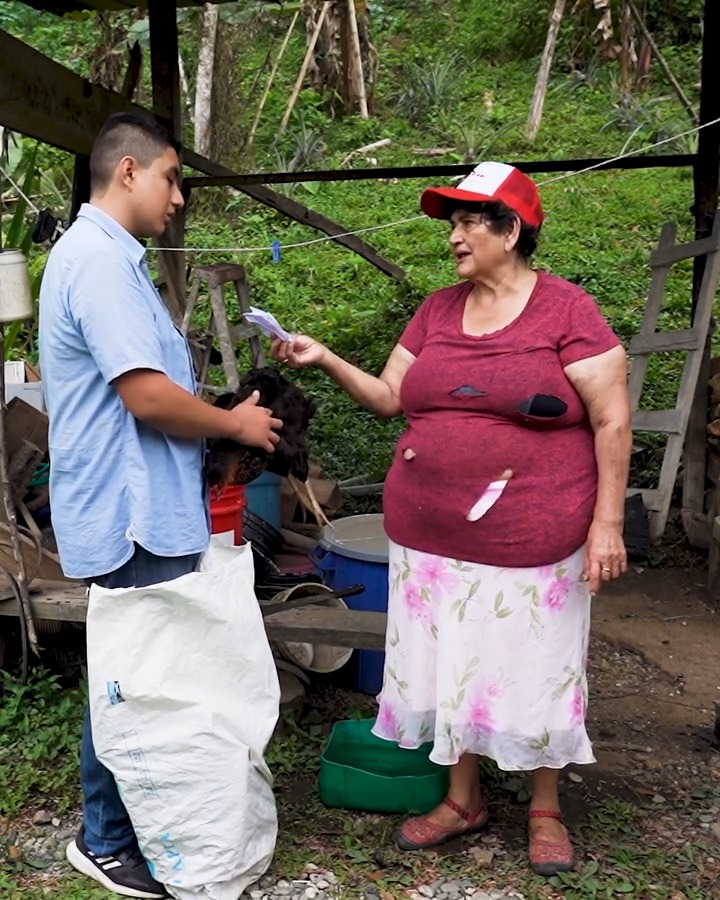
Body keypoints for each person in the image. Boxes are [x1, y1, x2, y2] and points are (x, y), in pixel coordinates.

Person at [271, 161, 632, 876]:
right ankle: (464, 797)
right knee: (456, 663)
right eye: (452, 223)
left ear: (512, 227)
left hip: (534, 534)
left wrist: (608, 524)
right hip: (432, 536)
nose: (455, 236)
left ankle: (544, 806)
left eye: (469, 220)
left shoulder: (566, 311)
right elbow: (388, 398)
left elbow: (613, 418)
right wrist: (326, 358)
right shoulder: (437, 310)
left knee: (537, 664)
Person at [38, 112, 282, 899]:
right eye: (174, 177)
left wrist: (214, 435)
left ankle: (145, 820)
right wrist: (236, 423)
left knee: (148, 668)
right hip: (127, 507)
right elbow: (145, 395)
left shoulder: (119, 262)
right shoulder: (99, 264)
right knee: (134, 673)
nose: (180, 196)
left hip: (148, 499)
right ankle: (106, 838)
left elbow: (157, 389)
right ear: (130, 171)